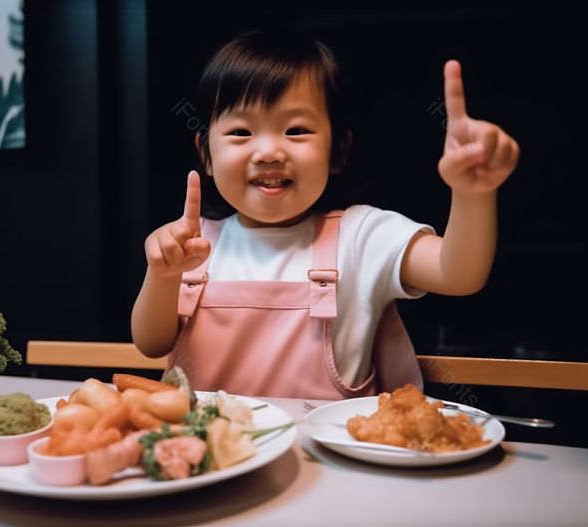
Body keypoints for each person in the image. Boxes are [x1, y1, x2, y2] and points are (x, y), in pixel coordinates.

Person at [131, 29, 519, 399]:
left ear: (338, 152)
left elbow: (460, 274)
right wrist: (164, 275)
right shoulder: (191, 245)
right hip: (210, 460)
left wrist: (473, 194)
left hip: (330, 464)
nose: (268, 151)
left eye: (296, 130)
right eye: (241, 133)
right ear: (207, 155)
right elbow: (150, 345)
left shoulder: (363, 236)